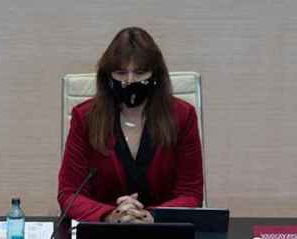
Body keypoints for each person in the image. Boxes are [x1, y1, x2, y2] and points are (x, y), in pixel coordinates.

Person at [58, 27, 203, 223]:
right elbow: (69, 194)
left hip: (164, 232)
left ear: (155, 75)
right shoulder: (85, 117)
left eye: (140, 72)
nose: (129, 81)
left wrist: (150, 216)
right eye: (120, 72)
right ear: (108, 76)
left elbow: (190, 193)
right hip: (102, 234)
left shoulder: (182, 116)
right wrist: (111, 215)